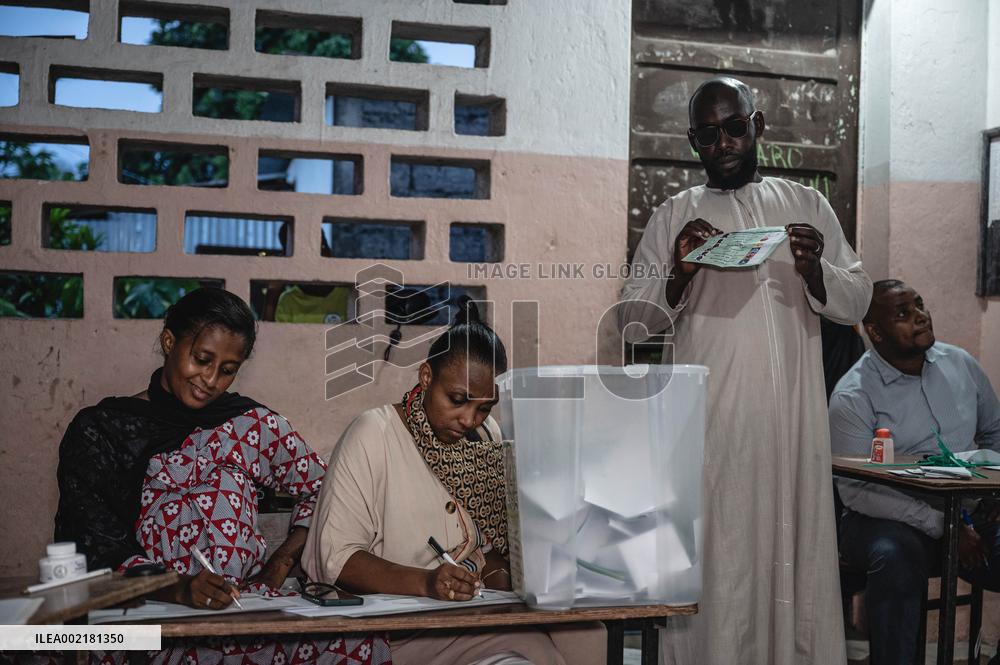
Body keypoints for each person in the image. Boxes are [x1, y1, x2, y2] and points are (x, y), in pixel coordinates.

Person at [618, 76, 872, 665]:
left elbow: (858, 299)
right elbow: (633, 323)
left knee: (796, 558)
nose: (723, 143)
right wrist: (678, 273)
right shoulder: (673, 215)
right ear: (692, 141)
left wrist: (816, 275)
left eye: (734, 127)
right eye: (707, 134)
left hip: (794, 432)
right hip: (714, 429)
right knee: (723, 562)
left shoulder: (808, 205)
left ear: (757, 126)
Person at [54, 287, 389, 665]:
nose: (211, 380)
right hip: (147, 611)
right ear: (169, 342)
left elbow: (326, 488)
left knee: (361, 643)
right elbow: (94, 542)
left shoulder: (249, 424)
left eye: (227, 370)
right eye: (201, 359)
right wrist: (178, 588)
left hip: (240, 609)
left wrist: (278, 564)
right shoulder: (105, 430)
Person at [303, 300, 606, 665]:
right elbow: (339, 560)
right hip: (394, 625)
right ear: (426, 377)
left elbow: (493, 542)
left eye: (483, 407)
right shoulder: (374, 433)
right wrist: (428, 583)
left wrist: (499, 572)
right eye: (458, 400)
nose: (468, 419)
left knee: (588, 631)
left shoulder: (486, 435)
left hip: (470, 612)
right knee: (531, 645)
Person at [829, 279, 1000, 664]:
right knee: (895, 555)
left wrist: (993, 499)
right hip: (883, 517)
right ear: (875, 331)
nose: (920, 317)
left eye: (920, 305)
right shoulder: (853, 395)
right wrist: (949, 527)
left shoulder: (961, 365)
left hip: (969, 513)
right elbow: (858, 489)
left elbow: (995, 432)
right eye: (903, 314)